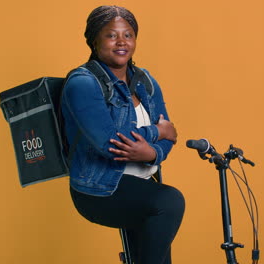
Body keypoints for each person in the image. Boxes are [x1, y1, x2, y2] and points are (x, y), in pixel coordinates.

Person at [60, 5, 185, 264]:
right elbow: (110, 143)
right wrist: (156, 132)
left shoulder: (144, 80)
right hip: (98, 189)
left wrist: (152, 152)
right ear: (94, 40)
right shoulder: (82, 83)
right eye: (111, 35)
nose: (121, 42)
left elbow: (169, 135)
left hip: (140, 185)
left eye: (128, 35)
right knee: (170, 201)